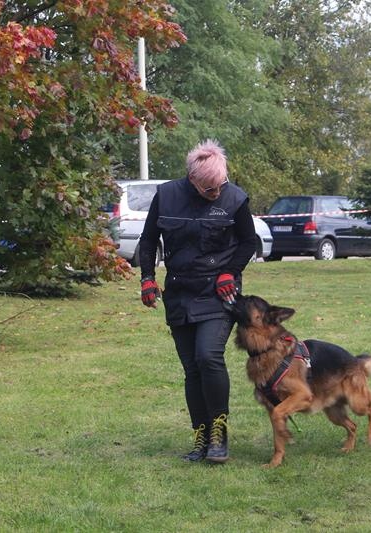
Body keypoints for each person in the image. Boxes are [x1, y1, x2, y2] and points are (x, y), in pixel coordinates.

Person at [137, 139, 257, 464]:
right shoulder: (167, 196)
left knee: (209, 357)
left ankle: (219, 435)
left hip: (218, 292)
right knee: (192, 368)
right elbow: (148, 240)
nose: (216, 193)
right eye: (209, 189)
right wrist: (147, 278)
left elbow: (249, 242)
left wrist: (230, 272)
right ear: (192, 179)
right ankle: (201, 437)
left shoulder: (234, 199)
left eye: (220, 186)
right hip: (179, 292)